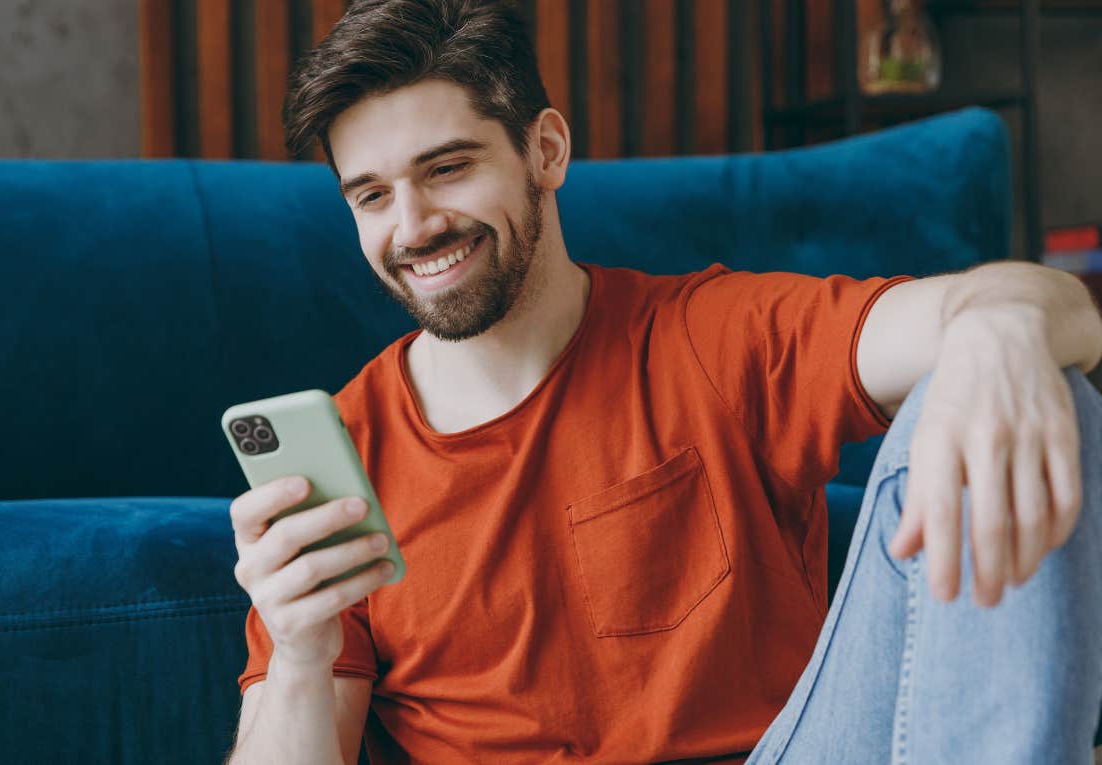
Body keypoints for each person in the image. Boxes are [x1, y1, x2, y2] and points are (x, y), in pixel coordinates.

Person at [223, 1, 1102, 762]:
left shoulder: (709, 337)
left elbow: (1055, 307)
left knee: (1025, 374)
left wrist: (1004, 334)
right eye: (371, 196)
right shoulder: (342, 461)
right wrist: (300, 651)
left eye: (447, 168)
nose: (412, 227)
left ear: (547, 151)